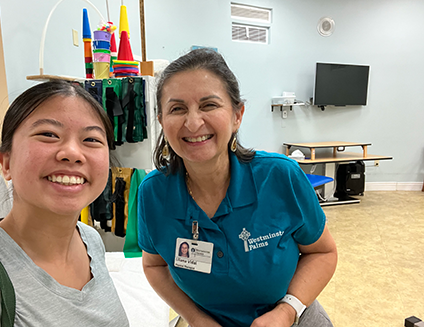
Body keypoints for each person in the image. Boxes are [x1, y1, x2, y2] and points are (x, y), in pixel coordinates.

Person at [138, 49, 337, 327]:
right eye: (177, 108)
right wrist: (196, 319)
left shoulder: (280, 176)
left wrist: (287, 311)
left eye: (208, 105)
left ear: (237, 115)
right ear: (161, 121)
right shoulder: (153, 194)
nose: (193, 123)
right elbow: (154, 265)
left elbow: (323, 252)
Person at [0, 81, 129, 326]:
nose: (72, 152)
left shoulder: (89, 240)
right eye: (48, 134)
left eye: (91, 139)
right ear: (5, 163)